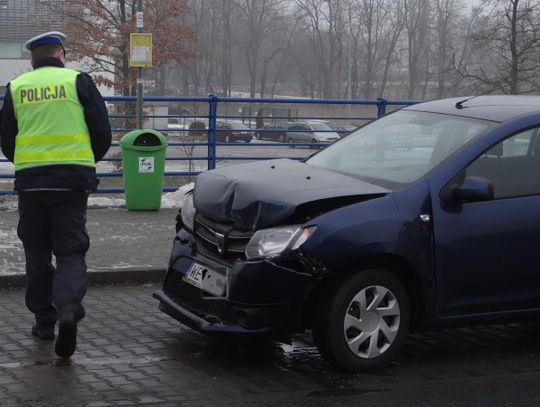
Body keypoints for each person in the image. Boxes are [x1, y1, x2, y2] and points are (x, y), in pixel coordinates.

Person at [0, 31, 111, 358]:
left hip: (31, 183)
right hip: (72, 181)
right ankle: (67, 307)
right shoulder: (79, 81)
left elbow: (7, 139)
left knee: (36, 252)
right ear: (61, 54)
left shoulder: (17, 87)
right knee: (70, 251)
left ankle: (44, 321)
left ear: (33, 59)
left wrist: (26, 161)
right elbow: (102, 131)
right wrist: (84, 160)